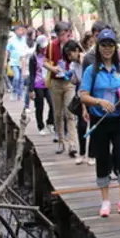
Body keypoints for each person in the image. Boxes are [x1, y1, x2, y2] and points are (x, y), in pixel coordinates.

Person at [79, 29, 120, 217]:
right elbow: (83, 95)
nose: (107, 48)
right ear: (98, 47)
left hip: (119, 120)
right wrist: (99, 102)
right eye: (103, 45)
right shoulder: (92, 70)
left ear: (115, 47)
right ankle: (105, 201)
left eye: (110, 45)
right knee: (102, 159)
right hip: (99, 121)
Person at [45, 21, 78, 156]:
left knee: (69, 113)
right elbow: (45, 62)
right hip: (55, 82)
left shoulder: (74, 45)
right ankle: (61, 141)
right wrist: (53, 68)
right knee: (57, 114)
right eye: (60, 34)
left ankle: (72, 144)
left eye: (64, 34)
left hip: (69, 82)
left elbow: (80, 59)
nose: (62, 37)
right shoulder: (52, 46)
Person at [63, 40, 89, 165]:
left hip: (91, 96)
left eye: (70, 54)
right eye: (67, 55)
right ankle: (82, 153)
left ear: (77, 50)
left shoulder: (86, 60)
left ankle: (93, 155)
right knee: (82, 126)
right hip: (81, 95)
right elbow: (76, 81)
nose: (70, 57)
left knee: (93, 125)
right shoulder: (73, 65)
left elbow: (86, 82)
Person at [27, 35, 55, 135]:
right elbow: (32, 74)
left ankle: (50, 122)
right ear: (38, 46)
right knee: (40, 106)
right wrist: (30, 90)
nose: (44, 49)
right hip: (38, 84)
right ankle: (40, 126)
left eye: (45, 46)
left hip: (48, 84)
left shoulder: (49, 55)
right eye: (42, 47)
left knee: (52, 104)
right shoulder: (33, 57)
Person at [6, 24, 28, 101]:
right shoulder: (11, 40)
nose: (21, 32)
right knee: (16, 77)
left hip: (22, 62)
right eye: (19, 30)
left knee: (22, 79)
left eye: (22, 30)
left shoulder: (25, 39)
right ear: (15, 31)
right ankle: (14, 91)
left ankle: (20, 94)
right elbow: (7, 51)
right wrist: (5, 61)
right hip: (14, 62)